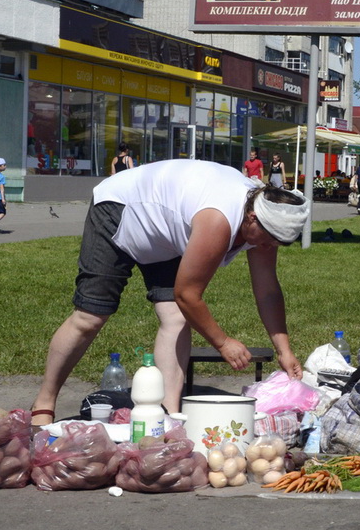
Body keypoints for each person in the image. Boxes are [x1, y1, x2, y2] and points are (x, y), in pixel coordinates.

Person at [30, 160, 309, 419]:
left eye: (278, 243)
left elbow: (267, 290)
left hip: (165, 230)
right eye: (270, 239)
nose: (270, 247)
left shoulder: (265, 223)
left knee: (176, 318)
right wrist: (222, 342)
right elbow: (187, 295)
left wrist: (284, 349)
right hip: (122, 208)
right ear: (251, 218)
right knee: (90, 316)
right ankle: (44, 401)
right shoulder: (219, 220)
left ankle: (168, 416)